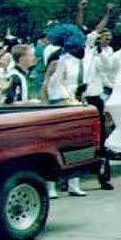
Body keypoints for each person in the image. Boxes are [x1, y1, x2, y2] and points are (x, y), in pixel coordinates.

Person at [43, 24, 89, 197]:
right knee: (55, 144)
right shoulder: (56, 59)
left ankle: (73, 183)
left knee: (74, 144)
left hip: (72, 101)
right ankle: (51, 186)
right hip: (60, 102)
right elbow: (52, 83)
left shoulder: (76, 60)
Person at [82, 29, 115, 190]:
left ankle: (104, 177)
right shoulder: (79, 58)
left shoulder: (98, 56)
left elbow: (107, 69)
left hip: (95, 99)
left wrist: (100, 52)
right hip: (80, 99)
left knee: (101, 139)